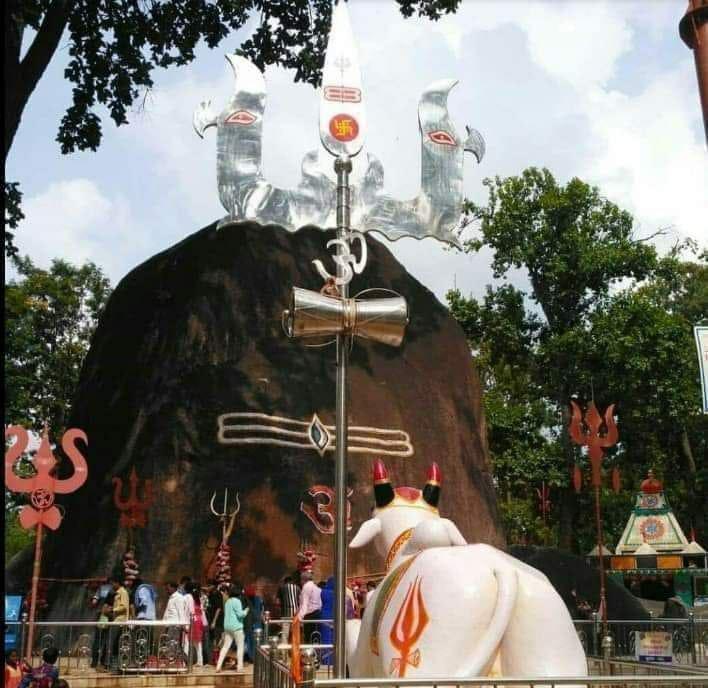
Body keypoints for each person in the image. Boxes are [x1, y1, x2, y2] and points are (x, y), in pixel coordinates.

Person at [216, 583, 249, 673]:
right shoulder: (237, 601)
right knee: (240, 647)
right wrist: (246, 610)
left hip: (227, 627)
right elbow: (240, 614)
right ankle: (240, 667)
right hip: (237, 627)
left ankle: (218, 666)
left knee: (225, 647)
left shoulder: (228, 601)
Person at [89, 581, 114, 669]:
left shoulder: (101, 588)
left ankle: (94, 662)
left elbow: (94, 602)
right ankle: (103, 662)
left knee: (97, 640)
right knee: (106, 640)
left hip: (100, 616)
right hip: (109, 616)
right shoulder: (114, 590)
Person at [163, 581, 190, 660]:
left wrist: (183, 625)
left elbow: (181, 612)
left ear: (173, 588)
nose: (167, 590)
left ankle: (181, 660)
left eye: (168, 588)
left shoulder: (178, 598)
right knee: (171, 644)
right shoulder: (172, 597)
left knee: (172, 644)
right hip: (169, 624)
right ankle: (179, 660)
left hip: (175, 625)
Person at [108, 574, 129, 670]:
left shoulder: (123, 592)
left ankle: (117, 666)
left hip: (120, 621)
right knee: (114, 644)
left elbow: (124, 606)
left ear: (117, 582)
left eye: (113, 583)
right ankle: (114, 666)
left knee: (117, 644)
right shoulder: (117, 593)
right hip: (116, 620)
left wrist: (113, 610)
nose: (112, 585)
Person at [297, 571, 322, 644]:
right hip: (317, 613)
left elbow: (304, 603)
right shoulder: (316, 587)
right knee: (315, 636)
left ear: (303, 579)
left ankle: (309, 654)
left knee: (308, 637)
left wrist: (299, 617)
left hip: (309, 614)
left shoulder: (306, 586)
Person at [205, 579, 224, 664]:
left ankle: (217, 659)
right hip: (210, 620)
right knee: (212, 640)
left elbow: (219, 608)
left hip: (217, 621)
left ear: (214, 586)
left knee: (216, 640)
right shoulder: (210, 595)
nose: (208, 587)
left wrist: (214, 621)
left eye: (210, 585)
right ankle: (212, 658)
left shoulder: (218, 594)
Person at [244, 584, 264, 662]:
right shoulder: (259, 599)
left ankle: (251, 656)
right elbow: (262, 609)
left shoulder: (245, 600)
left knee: (249, 639)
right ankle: (257, 656)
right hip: (257, 621)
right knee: (257, 640)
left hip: (249, 621)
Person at [277, 576, 299, 643]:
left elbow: (277, 601)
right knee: (295, 633)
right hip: (296, 613)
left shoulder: (281, 588)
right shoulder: (297, 588)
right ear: (292, 581)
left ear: (285, 582)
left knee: (285, 633)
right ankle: (295, 651)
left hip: (285, 613)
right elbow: (300, 600)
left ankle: (284, 651)